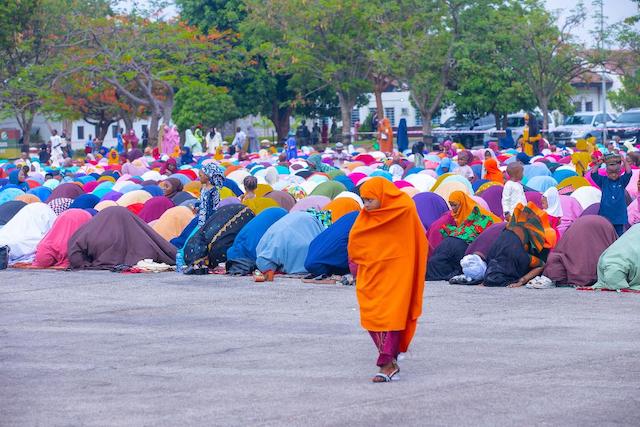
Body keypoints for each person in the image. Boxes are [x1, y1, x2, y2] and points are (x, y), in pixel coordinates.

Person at [348, 177, 427, 383]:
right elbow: (356, 242)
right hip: (371, 273)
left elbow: (417, 240)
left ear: (382, 196)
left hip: (398, 272)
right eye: (363, 200)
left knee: (393, 315)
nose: (366, 205)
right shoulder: (366, 215)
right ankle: (389, 360)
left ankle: (386, 364)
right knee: (371, 316)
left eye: (369, 200)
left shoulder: (404, 209)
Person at [483, 202, 547, 287]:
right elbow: (541, 265)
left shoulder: (494, 248)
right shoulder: (521, 256)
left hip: (489, 276)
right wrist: (522, 281)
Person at [590, 153, 632, 236]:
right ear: (607, 172)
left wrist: (624, 160)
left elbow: (629, 172)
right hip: (606, 214)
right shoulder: (603, 181)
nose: (613, 175)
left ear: (620, 172)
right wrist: (600, 162)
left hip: (619, 216)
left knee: (618, 237)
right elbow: (593, 173)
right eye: (611, 173)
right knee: (606, 236)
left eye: (616, 173)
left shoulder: (622, 181)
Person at [196, 162, 225, 227]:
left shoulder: (214, 191)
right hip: (200, 218)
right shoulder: (203, 188)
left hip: (209, 220)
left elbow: (215, 207)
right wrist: (197, 207)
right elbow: (200, 201)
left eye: (200, 175)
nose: (199, 177)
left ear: (207, 176)